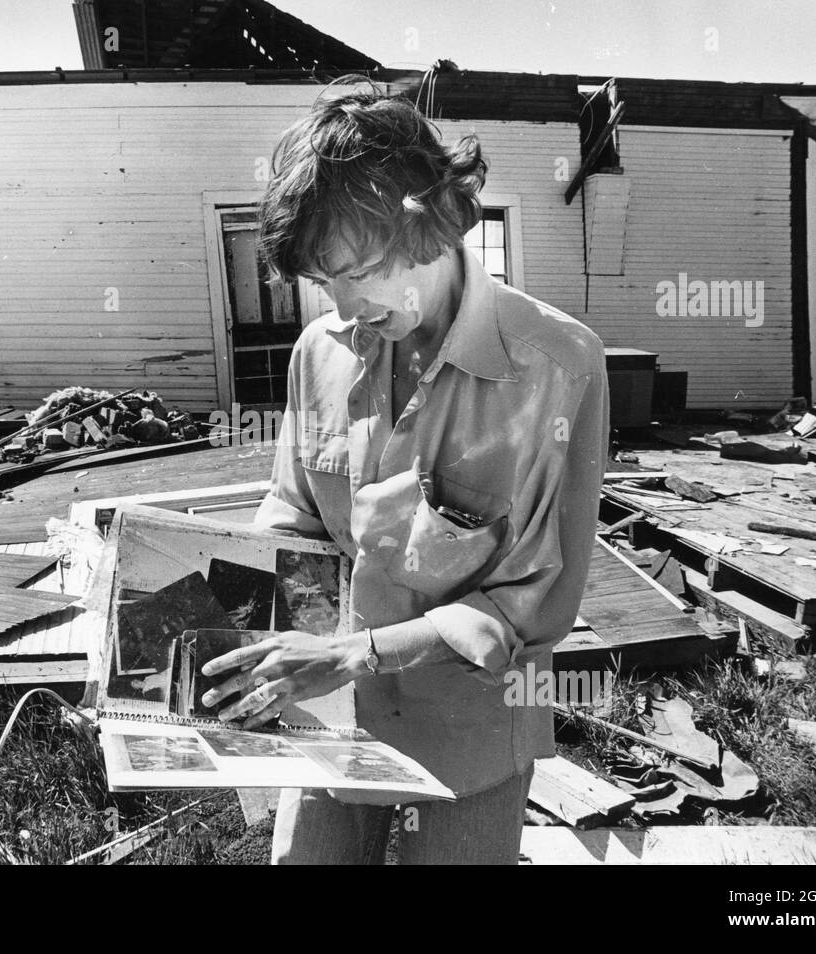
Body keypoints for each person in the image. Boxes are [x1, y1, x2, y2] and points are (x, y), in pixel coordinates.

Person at [200, 84, 609, 864]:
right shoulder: (317, 352)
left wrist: (353, 653)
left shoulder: (558, 365)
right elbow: (293, 517)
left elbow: (529, 605)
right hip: (327, 718)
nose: (346, 306)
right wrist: (189, 624)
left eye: (362, 270)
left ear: (433, 221)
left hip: (470, 738)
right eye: (326, 281)